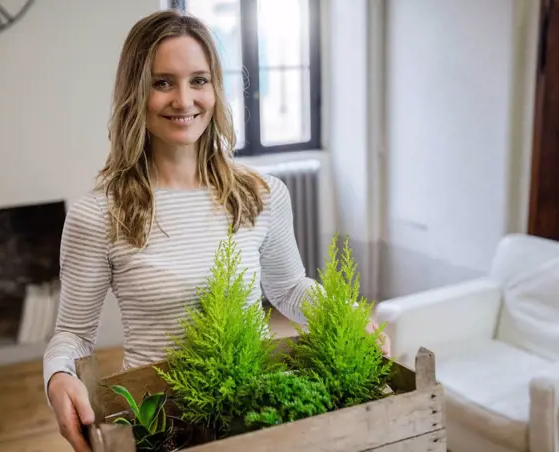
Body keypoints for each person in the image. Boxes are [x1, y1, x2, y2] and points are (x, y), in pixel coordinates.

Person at [43, 9, 390, 452]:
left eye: (199, 81)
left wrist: (345, 317)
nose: (184, 100)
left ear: (215, 88)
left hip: (252, 411)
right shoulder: (98, 214)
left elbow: (288, 289)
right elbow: (74, 334)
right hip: (158, 422)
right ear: (136, 91)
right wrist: (57, 377)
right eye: (162, 82)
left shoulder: (262, 194)